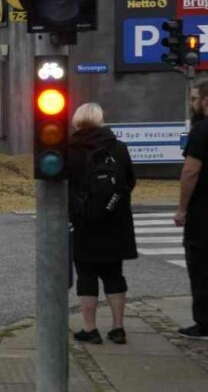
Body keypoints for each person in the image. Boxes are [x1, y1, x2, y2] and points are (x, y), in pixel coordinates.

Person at [67, 102, 137, 345]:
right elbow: (129, 181)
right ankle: (118, 328)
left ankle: (90, 329)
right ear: (101, 119)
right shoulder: (118, 148)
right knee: (114, 274)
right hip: (114, 220)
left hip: (84, 221)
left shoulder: (70, 149)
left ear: (77, 121)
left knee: (86, 275)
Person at [174, 79, 208, 341]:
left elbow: (191, 171)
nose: (192, 103)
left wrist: (182, 208)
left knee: (204, 267)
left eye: (194, 99)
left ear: (206, 101)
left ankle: (207, 324)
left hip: (206, 210)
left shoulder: (203, 130)